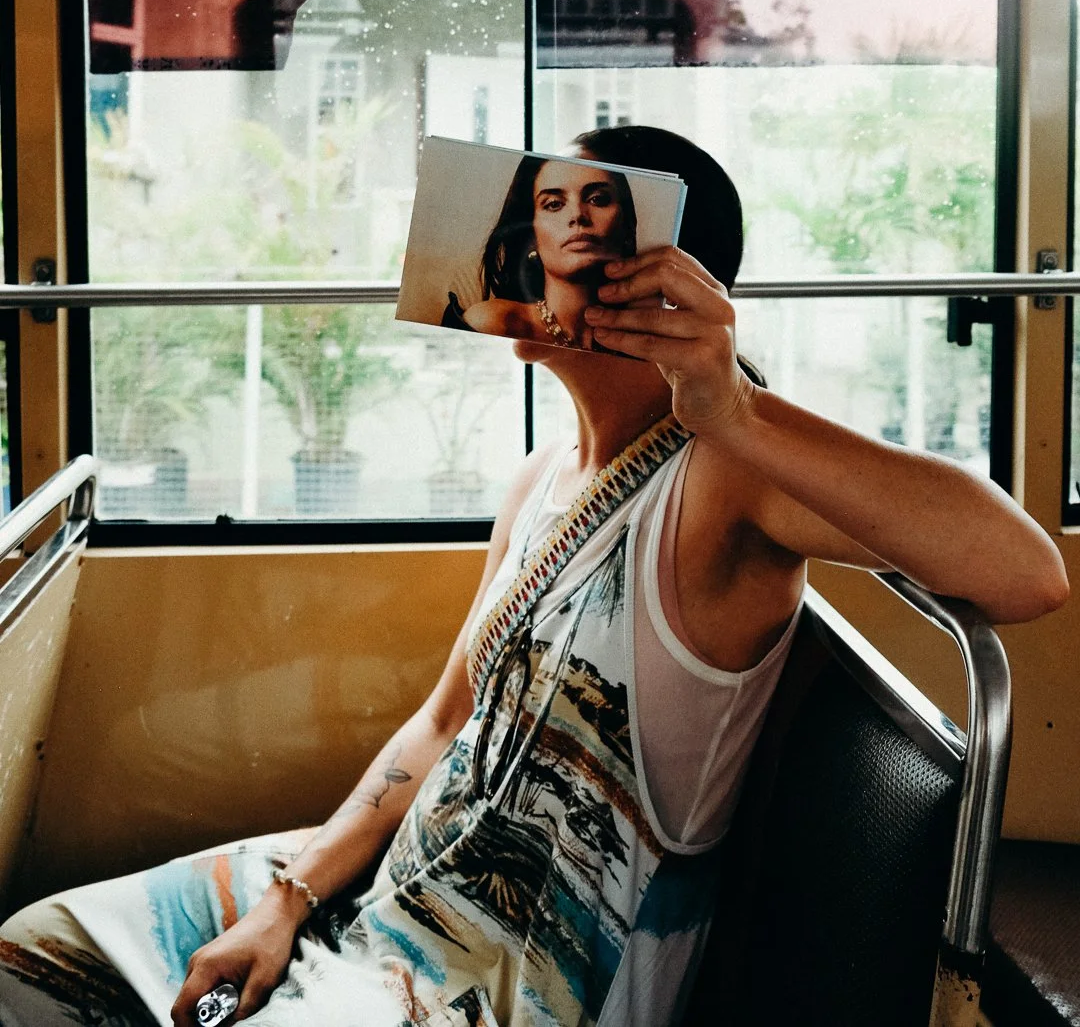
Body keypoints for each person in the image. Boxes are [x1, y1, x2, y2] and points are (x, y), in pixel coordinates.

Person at [0, 126, 1068, 1027]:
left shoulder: (724, 485)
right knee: (33, 956)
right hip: (408, 883)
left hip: (539, 970)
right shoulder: (542, 478)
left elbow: (1023, 572)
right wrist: (288, 895)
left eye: (571, 226)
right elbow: (442, 723)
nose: (521, 245)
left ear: (655, 276)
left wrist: (728, 400)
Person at [443, 155, 638, 350]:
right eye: (554, 204)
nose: (578, 214)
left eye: (597, 199)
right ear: (531, 236)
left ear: (627, 228)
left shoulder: (643, 334)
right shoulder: (496, 324)